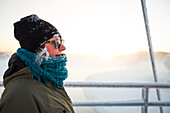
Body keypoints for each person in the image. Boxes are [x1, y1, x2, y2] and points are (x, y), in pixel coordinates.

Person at [0, 14, 75, 113]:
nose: (63, 48)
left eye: (61, 41)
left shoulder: (49, 81)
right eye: (56, 43)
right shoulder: (21, 94)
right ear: (37, 48)